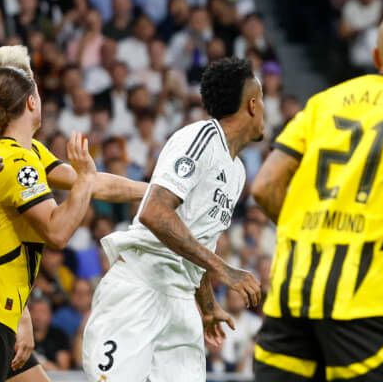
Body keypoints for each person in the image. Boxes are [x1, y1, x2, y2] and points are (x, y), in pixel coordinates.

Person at [250, 9, 383, 382]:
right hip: (361, 305)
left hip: (289, 294)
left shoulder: (324, 102)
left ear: (378, 58)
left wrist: (314, 235)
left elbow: (264, 186)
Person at [0, 45, 148, 382]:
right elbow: (56, 228)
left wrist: (157, 191)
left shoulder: (27, 149)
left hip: (2, 304)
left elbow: (91, 182)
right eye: (30, 80)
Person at [81, 58, 265, 382]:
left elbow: (197, 240)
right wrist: (224, 269)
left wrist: (207, 306)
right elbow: (154, 212)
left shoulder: (236, 172)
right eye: (262, 101)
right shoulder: (202, 138)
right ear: (252, 104)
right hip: (141, 288)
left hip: (181, 304)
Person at [0, 67, 98, 382]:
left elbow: (0, 238)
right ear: (30, 103)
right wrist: (86, 179)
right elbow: (58, 232)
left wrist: (155, 192)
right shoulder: (17, 161)